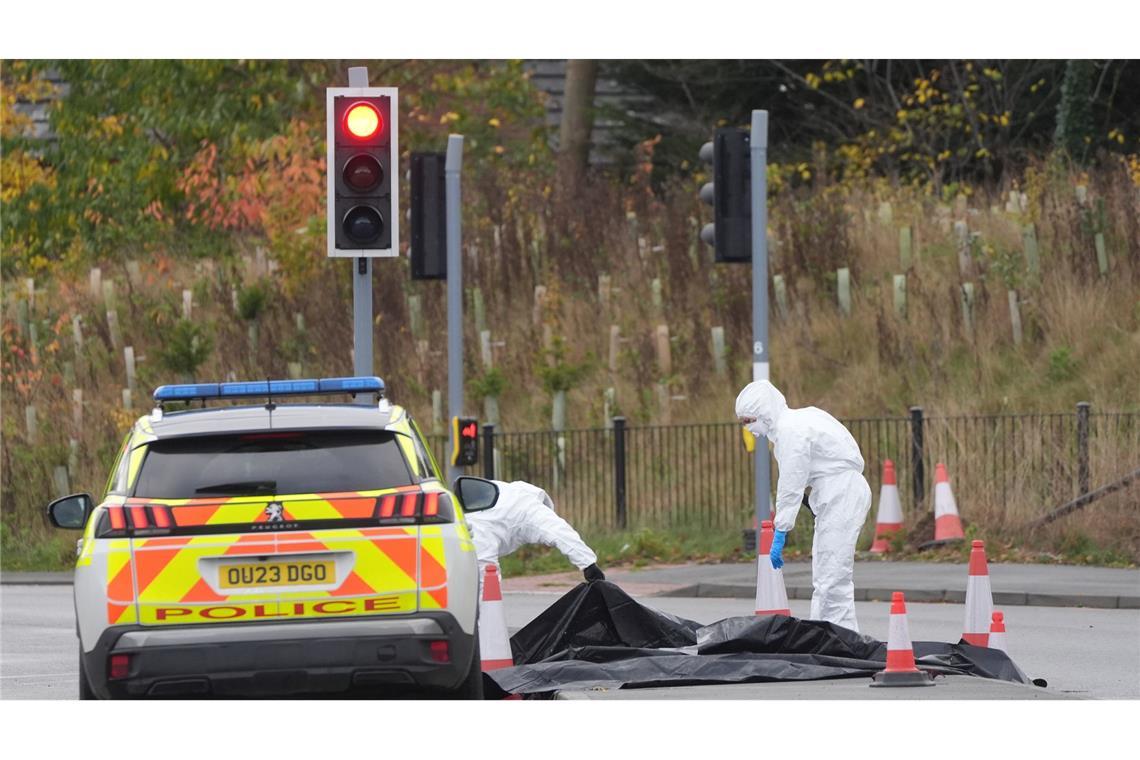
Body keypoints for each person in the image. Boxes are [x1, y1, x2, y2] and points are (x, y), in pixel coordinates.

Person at [735, 380, 872, 632]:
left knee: (832, 575)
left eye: (749, 421)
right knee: (826, 573)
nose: (749, 428)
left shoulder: (790, 431)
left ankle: (840, 640)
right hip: (839, 491)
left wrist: (782, 529)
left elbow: (791, 481)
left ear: (764, 412)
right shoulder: (803, 418)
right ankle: (827, 635)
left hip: (840, 494)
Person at [465, 479, 605, 585]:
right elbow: (560, 533)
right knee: (488, 586)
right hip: (480, 535)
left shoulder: (505, 488)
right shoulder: (532, 511)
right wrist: (589, 566)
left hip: (457, 521)